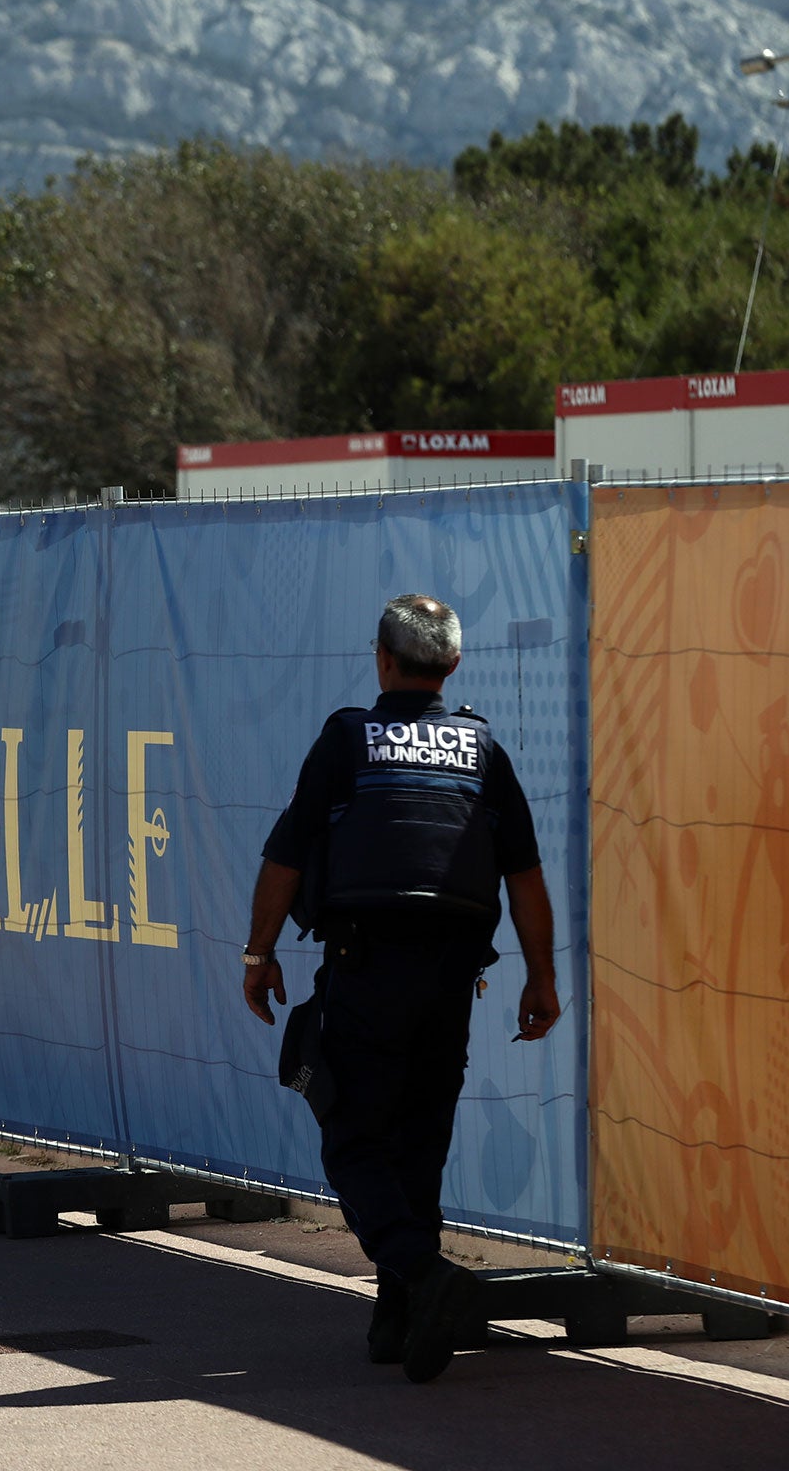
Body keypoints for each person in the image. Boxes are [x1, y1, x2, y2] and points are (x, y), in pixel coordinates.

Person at [241, 593, 560, 1384]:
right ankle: (399, 1321)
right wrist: (542, 979)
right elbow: (525, 877)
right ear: (452, 665)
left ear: (382, 660)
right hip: (455, 977)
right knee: (419, 1145)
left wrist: (259, 954)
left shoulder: (348, 739)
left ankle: (425, 1274)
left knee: (351, 1135)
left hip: (365, 967)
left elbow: (286, 856)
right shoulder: (482, 749)